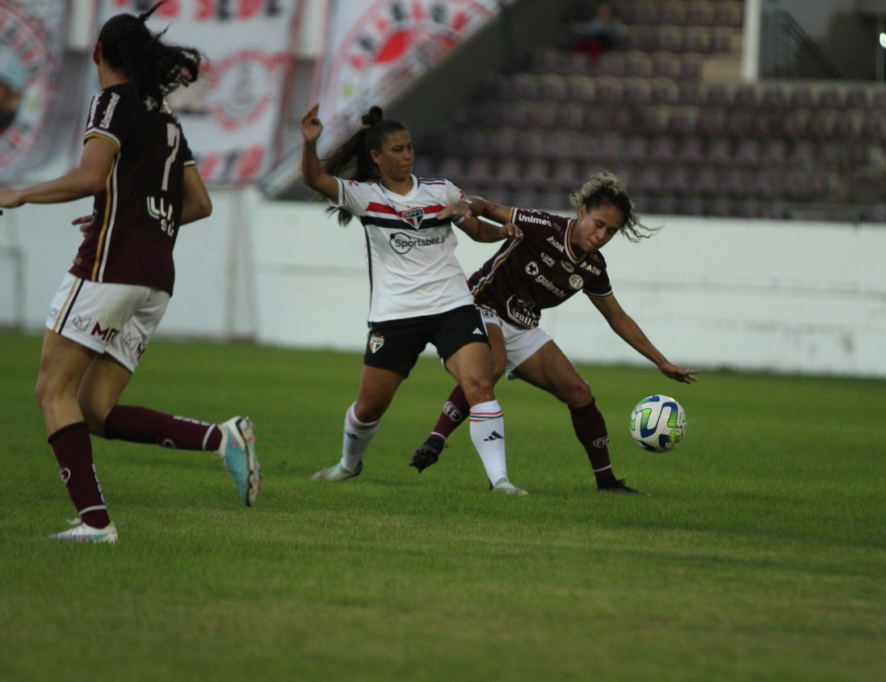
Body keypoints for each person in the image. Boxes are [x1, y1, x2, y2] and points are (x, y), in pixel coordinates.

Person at [0, 3, 261, 544]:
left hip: (109, 266)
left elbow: (91, 175)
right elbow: (200, 203)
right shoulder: (165, 116)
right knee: (95, 408)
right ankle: (221, 439)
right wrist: (125, 208)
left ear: (98, 53)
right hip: (155, 277)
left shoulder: (111, 103)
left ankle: (95, 522)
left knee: (52, 389)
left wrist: (21, 192)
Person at [409, 172, 700, 494]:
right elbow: (489, 208)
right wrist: (467, 205)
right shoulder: (545, 227)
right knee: (490, 366)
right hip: (481, 305)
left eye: (611, 231)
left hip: (523, 325)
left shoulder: (593, 268)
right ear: (582, 212)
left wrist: (661, 362)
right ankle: (435, 441)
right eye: (599, 224)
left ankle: (607, 482)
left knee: (579, 392)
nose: (602, 235)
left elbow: (617, 318)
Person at [299, 103, 528, 494]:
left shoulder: (441, 192)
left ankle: (500, 480)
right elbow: (314, 179)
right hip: (395, 315)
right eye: (397, 150)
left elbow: (475, 230)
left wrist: (503, 232)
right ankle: (348, 465)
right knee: (369, 407)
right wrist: (310, 144)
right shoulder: (363, 196)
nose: (407, 155)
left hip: (452, 307)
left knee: (479, 384)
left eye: (409, 148)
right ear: (376, 157)